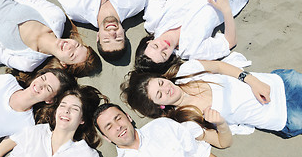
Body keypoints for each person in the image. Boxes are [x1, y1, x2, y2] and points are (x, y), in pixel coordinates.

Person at [122, 58, 302, 139]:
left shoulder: (186, 72)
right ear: (159, 106)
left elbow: (218, 67)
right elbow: (222, 142)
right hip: (283, 117)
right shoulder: (187, 121)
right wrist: (222, 125)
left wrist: (251, 80)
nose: (166, 88)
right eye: (159, 94)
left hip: (278, 83)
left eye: (160, 83)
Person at [93, 103, 261, 157]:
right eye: (109, 127)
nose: (118, 126)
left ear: (128, 117)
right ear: (107, 138)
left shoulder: (162, 127)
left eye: (118, 118)